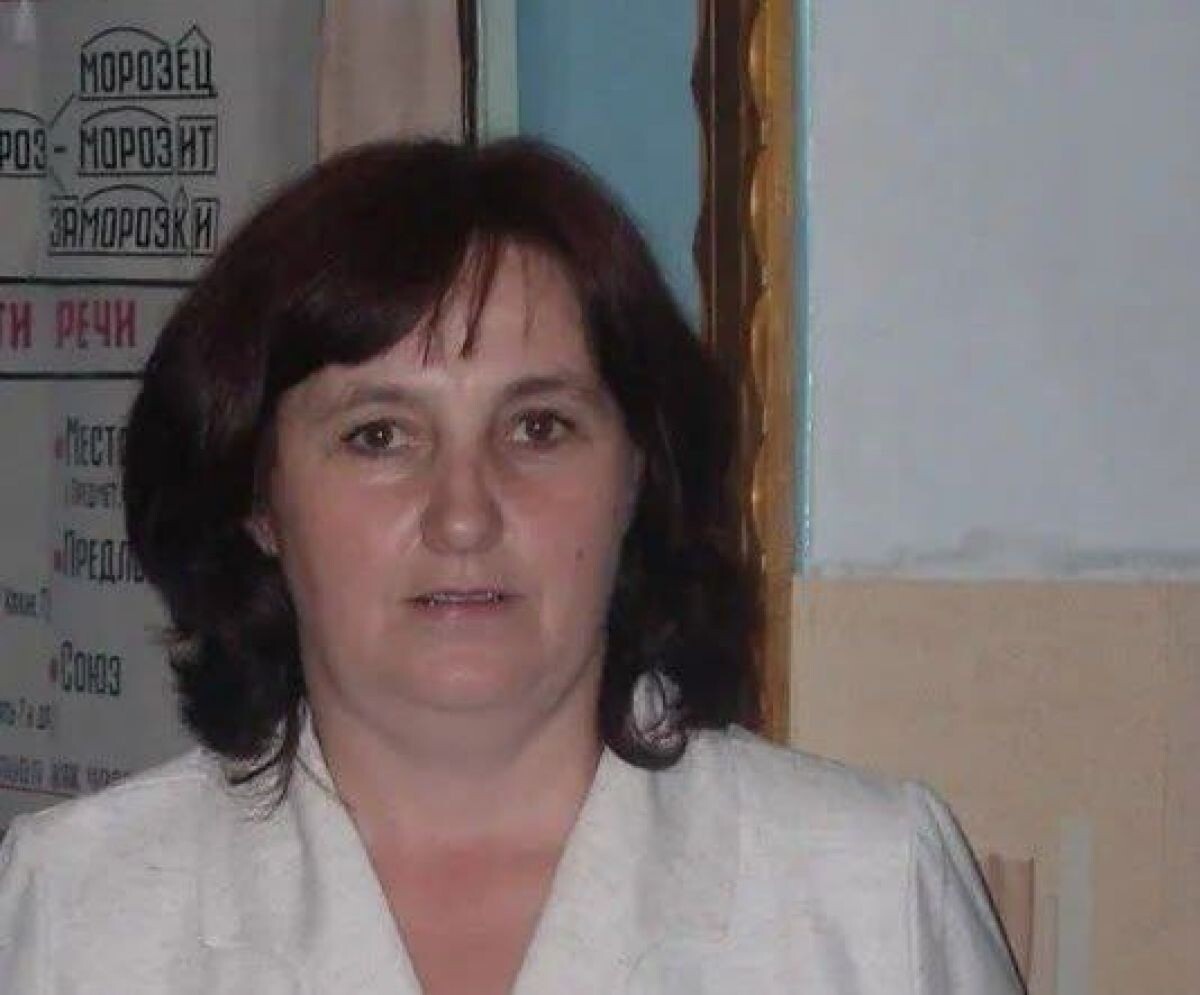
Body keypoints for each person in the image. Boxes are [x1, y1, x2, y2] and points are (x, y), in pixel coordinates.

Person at [0, 138, 1024, 994]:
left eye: (539, 426)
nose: (464, 513)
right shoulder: (77, 911)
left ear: (639, 472)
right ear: (258, 497)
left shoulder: (867, 895)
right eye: (378, 435)